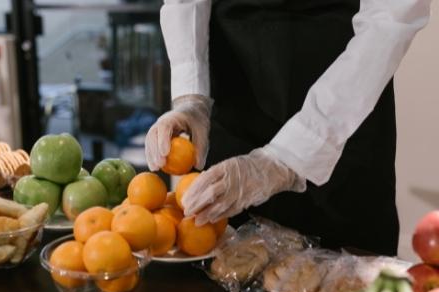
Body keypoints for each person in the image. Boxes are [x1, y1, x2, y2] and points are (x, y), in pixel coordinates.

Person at [145, 0, 432, 256]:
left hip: (342, 113)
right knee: (224, 286)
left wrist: (293, 155)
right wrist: (191, 97)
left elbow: (391, 19)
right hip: (234, 94)